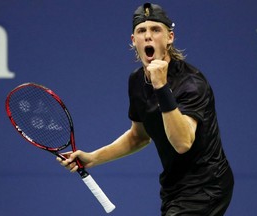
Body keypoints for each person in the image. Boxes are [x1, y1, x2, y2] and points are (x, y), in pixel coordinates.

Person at [57, 2, 234, 216]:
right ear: (134, 41)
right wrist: (93, 158)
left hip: (208, 186)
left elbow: (183, 143)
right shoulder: (136, 81)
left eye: (156, 29)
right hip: (173, 187)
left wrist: (161, 87)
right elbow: (138, 137)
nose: (148, 36)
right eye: (141, 31)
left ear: (170, 37)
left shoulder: (191, 83)